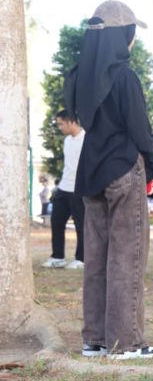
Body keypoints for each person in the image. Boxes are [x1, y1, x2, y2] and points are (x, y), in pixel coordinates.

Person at [65, 0, 153, 359]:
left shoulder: (79, 77)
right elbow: (140, 129)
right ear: (124, 35)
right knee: (127, 256)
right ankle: (126, 343)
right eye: (131, 33)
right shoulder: (124, 76)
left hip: (91, 173)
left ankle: (96, 339)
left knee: (97, 258)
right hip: (123, 169)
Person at [42, 111, 86, 270]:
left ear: (71, 122)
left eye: (61, 123)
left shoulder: (87, 139)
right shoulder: (67, 140)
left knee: (81, 225)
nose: (60, 127)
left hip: (79, 190)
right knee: (56, 222)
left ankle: (81, 259)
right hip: (63, 188)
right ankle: (58, 256)